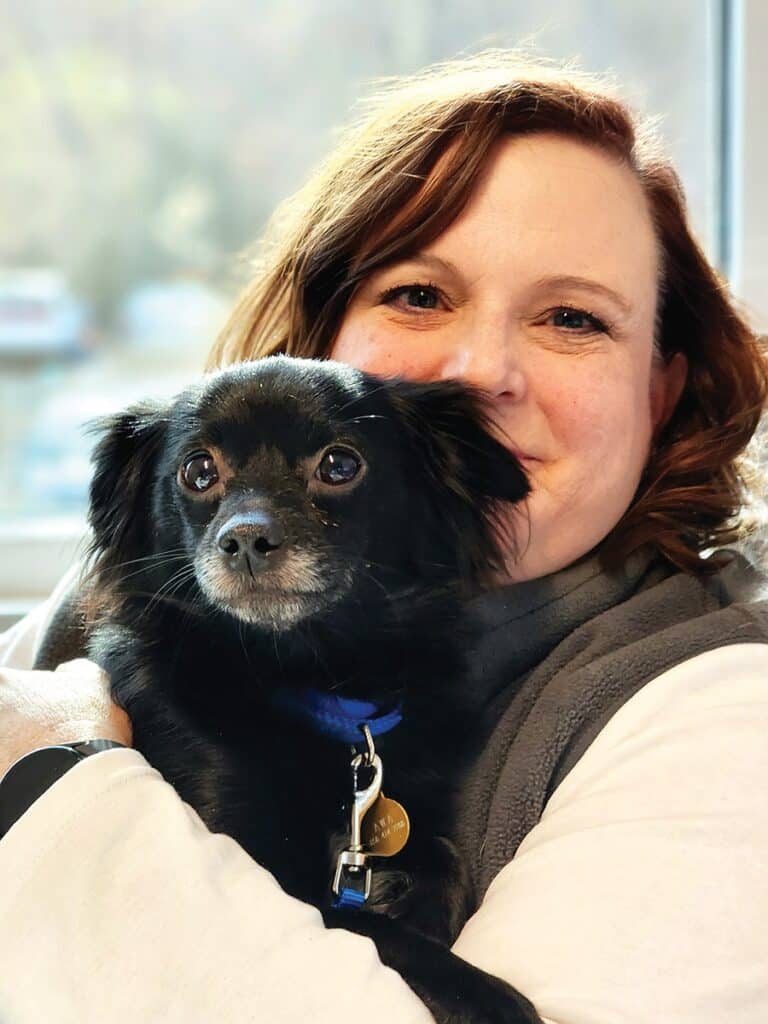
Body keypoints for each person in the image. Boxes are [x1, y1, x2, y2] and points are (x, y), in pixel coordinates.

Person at [1, 51, 767, 1023]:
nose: (485, 369)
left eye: (573, 317)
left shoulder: (720, 703)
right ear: (325, 338)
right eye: (418, 294)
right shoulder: (134, 590)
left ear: (660, 389)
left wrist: (42, 772)